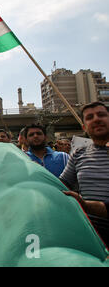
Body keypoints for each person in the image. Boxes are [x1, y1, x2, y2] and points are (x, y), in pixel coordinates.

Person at [60, 102, 109, 245]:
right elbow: (62, 184)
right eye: (89, 117)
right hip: (91, 238)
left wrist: (85, 205)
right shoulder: (78, 153)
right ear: (84, 127)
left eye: (101, 115)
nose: (96, 119)